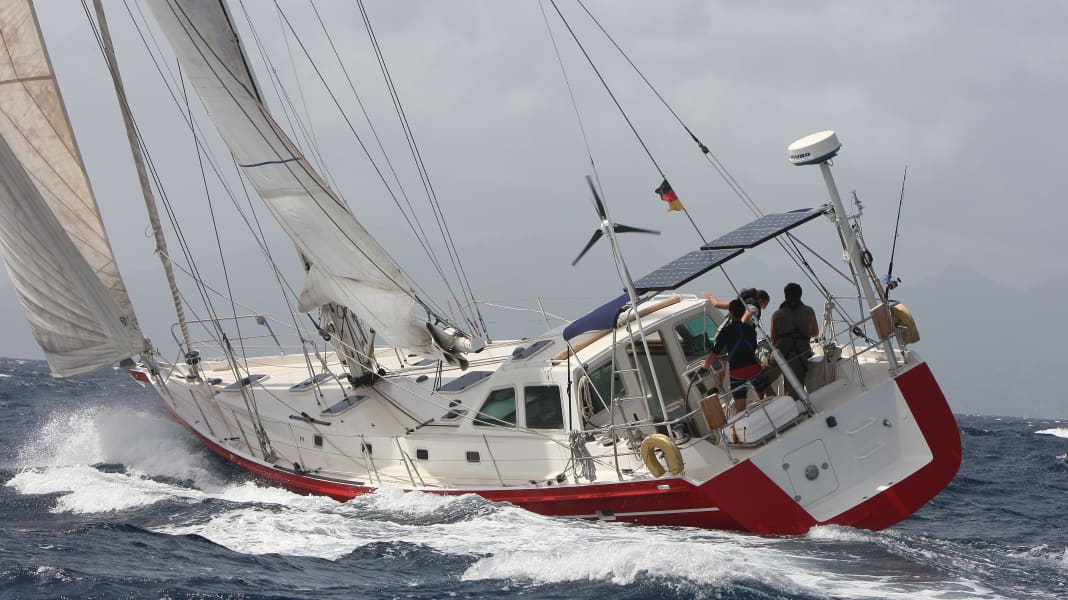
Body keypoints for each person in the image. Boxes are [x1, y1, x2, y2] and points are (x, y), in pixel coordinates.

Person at [701, 299, 771, 412]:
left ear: (731, 313)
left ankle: (744, 423)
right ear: (743, 312)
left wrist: (705, 364)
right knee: (768, 393)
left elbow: (715, 353)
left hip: (737, 372)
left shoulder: (726, 332)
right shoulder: (750, 330)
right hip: (753, 368)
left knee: (740, 405)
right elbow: (752, 349)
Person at [770, 282, 819, 400]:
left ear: (785, 296)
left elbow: (774, 340)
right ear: (800, 295)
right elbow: (815, 332)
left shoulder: (776, 315)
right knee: (797, 388)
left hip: (782, 355)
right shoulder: (809, 311)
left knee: (764, 381)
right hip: (802, 354)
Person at [703, 288, 770, 324]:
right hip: (737, 335)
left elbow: (717, 304)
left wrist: (710, 296)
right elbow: (744, 320)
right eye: (765, 304)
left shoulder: (740, 302)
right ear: (761, 300)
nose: (764, 308)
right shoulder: (754, 308)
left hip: (726, 329)